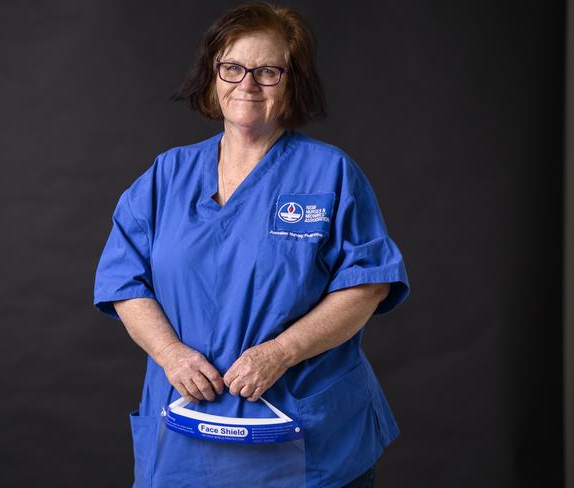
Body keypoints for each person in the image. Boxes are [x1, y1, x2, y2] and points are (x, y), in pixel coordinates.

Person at [93, 2, 410, 487]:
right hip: (187, 434)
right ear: (213, 75)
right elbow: (122, 279)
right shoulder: (166, 176)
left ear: (292, 82)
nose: (247, 84)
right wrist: (172, 353)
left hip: (307, 437)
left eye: (267, 71)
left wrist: (279, 352)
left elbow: (367, 286)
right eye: (233, 67)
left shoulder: (330, 174)